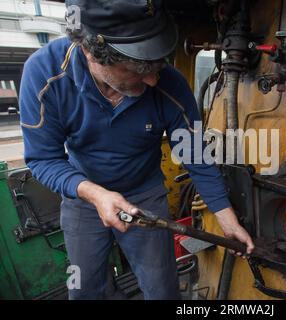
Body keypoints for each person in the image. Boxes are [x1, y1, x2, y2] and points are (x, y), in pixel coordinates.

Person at [19, 0, 254, 300]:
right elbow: (43, 159)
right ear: (92, 54)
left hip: (145, 196)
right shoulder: (45, 75)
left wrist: (226, 218)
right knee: (83, 288)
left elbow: (194, 154)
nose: (153, 79)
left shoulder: (168, 84)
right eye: (137, 69)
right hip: (83, 198)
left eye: (156, 67)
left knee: (162, 289)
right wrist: (94, 194)